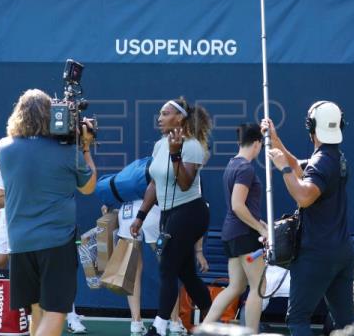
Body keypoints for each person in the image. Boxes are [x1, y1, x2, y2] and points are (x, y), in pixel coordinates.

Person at [0, 89, 97, 336]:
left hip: (20, 244)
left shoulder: (4, 148)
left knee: (37, 309)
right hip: (56, 242)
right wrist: (84, 146)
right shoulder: (67, 152)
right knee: (56, 311)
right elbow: (88, 187)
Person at [263, 100, 354, 336]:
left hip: (316, 254)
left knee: (297, 318)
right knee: (346, 324)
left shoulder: (322, 161)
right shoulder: (335, 156)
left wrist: (282, 169)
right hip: (341, 252)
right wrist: (275, 139)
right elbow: (299, 167)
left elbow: (304, 197)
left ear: (310, 126)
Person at [130, 97, 212, 336]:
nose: (159, 118)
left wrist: (176, 154)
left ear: (179, 118)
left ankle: (158, 327)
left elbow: (185, 184)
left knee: (167, 267)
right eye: (160, 113)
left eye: (165, 113)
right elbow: (154, 184)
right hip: (169, 214)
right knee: (185, 273)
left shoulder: (193, 145)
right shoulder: (159, 145)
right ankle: (213, 316)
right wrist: (140, 216)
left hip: (191, 213)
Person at [202, 123, 266, 333]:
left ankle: (205, 328)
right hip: (245, 236)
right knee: (259, 287)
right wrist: (261, 229)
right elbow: (238, 206)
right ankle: (252, 332)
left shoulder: (232, 165)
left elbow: (239, 206)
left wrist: (260, 223)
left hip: (231, 235)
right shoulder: (246, 169)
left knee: (236, 287)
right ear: (257, 144)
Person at [100, 200, 188, 335]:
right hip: (153, 213)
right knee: (168, 270)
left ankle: (136, 323)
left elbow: (109, 198)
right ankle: (175, 322)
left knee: (132, 270)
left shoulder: (125, 179)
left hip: (127, 213)